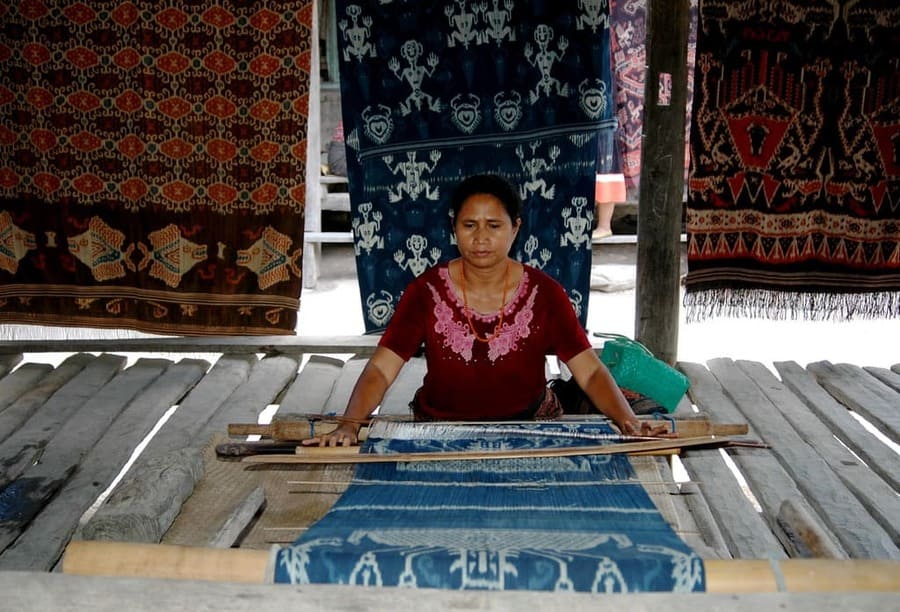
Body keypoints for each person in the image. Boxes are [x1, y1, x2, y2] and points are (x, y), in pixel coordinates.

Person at [305, 173, 662, 447]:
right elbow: (381, 370)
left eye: (494, 226)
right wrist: (350, 425)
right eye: (469, 225)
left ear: (515, 228)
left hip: (530, 428)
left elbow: (589, 371)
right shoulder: (426, 292)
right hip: (440, 431)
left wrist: (627, 420)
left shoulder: (545, 294)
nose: (480, 238)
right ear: (453, 229)